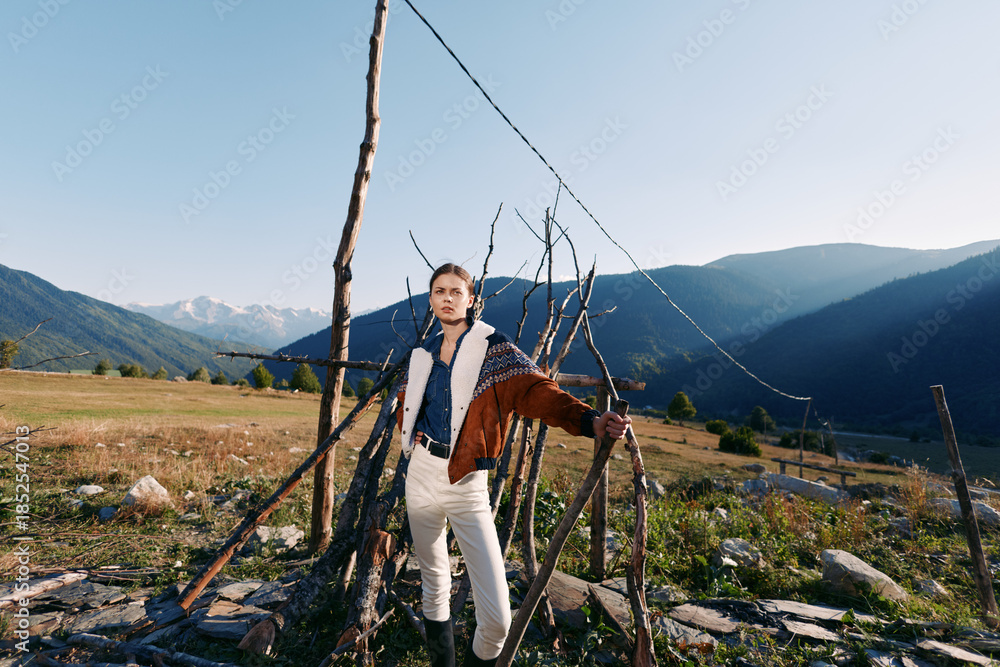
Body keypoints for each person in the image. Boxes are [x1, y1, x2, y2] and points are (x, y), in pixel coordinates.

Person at [397, 263, 630, 667]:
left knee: (498, 621)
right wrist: (410, 428)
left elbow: (537, 391)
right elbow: (410, 402)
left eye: (456, 291)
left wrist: (590, 420)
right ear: (431, 299)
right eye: (439, 291)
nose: (447, 298)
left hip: (466, 481)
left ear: (471, 300)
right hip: (420, 474)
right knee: (433, 583)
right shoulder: (423, 354)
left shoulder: (494, 349)